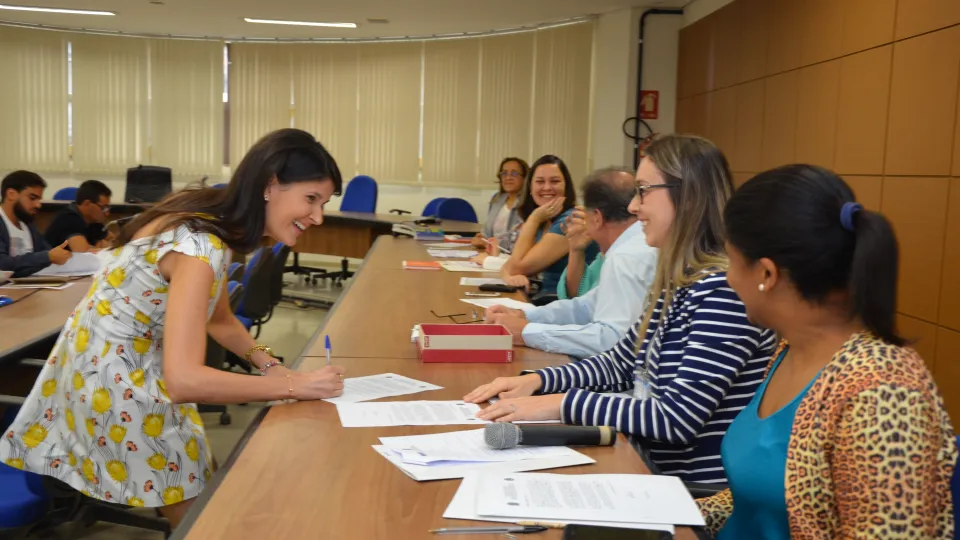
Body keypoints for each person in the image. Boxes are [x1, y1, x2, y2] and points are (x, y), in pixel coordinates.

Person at [0, 129, 348, 529]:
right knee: (205, 517)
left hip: (105, 369)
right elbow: (183, 381)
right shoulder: (201, 245)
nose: (318, 216)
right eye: (311, 199)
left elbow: (219, 319)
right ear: (270, 186)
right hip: (114, 383)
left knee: (204, 487)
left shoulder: (209, 223)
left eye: (324, 203)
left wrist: (271, 367)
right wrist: (294, 387)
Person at [464, 135, 776, 483]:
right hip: (646, 466)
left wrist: (561, 403)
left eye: (643, 191)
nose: (632, 207)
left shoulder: (722, 290)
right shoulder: (678, 278)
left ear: (686, 195)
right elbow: (622, 363)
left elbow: (676, 417)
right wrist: (537, 381)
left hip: (689, 492)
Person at [697, 164, 957, 538]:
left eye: (732, 261)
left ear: (766, 275)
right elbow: (757, 501)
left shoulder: (883, 392)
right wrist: (674, 512)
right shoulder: (791, 348)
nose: (728, 278)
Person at [483, 167, 657, 358]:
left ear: (596, 218)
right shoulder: (629, 246)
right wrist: (525, 316)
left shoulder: (626, 256)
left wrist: (527, 332)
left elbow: (612, 340)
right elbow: (587, 306)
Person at [499, 155, 599, 295]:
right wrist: (510, 276)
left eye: (555, 181)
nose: (547, 187)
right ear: (530, 188)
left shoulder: (571, 219)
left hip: (561, 303)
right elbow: (508, 266)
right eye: (540, 181)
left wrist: (534, 218)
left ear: (566, 186)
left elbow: (516, 267)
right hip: (543, 299)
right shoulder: (546, 219)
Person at [0, 170, 72, 276]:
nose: (38, 205)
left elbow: (47, 253)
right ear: (11, 194)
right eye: (32, 198)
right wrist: (47, 257)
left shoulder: (27, 224)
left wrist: (58, 255)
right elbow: (2, 263)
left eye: (39, 199)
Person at [472, 157, 528, 253]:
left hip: (511, 257)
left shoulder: (527, 204)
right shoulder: (497, 200)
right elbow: (486, 231)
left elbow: (516, 240)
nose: (508, 177)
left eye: (514, 173)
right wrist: (481, 237)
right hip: (491, 253)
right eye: (504, 173)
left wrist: (489, 243)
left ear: (524, 178)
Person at [44, 180, 114, 252]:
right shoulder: (68, 219)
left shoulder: (93, 221)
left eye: (107, 208)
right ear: (87, 204)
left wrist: (101, 245)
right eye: (103, 208)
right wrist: (99, 246)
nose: (107, 213)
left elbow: (114, 242)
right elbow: (83, 253)